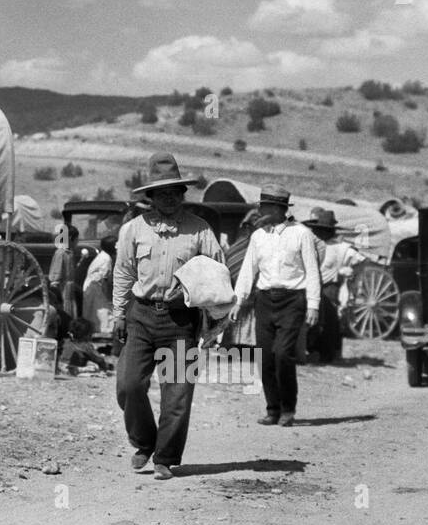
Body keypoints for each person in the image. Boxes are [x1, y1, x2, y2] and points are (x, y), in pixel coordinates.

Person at [111, 153, 223, 480]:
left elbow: (218, 274)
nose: (170, 198)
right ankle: (144, 441)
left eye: (175, 192)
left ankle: (165, 457)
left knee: (176, 394)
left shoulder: (199, 230)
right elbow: (123, 272)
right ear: (151, 197)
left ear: (182, 194)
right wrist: (118, 313)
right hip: (141, 316)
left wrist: (211, 315)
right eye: (162, 193)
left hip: (180, 321)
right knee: (129, 384)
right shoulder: (133, 230)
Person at [230, 184, 321, 426]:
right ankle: (273, 409)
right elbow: (248, 270)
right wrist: (238, 301)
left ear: (279, 209)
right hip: (264, 300)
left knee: (283, 354)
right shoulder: (258, 236)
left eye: (266, 207)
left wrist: (313, 305)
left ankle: (288, 409)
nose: (261, 212)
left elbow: (312, 271)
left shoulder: (301, 234)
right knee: (264, 357)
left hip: (293, 300)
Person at [302, 208, 365, 363]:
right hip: (318, 287)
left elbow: (359, 260)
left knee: (329, 321)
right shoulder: (317, 246)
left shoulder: (339, 247)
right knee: (322, 321)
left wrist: (347, 273)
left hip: (328, 288)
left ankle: (326, 353)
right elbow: (361, 261)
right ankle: (322, 351)